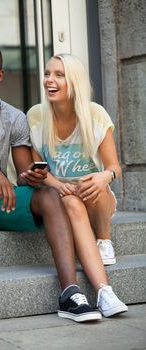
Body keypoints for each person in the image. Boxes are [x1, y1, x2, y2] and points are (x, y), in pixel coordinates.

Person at [26, 53, 128, 318]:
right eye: (48, 74)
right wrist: (58, 185)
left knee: (93, 187)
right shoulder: (37, 116)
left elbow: (114, 167)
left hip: (96, 197)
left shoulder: (94, 114)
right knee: (70, 199)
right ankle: (105, 292)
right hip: (63, 198)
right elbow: (40, 172)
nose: (50, 80)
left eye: (59, 75)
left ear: (75, 82)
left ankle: (103, 239)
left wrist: (105, 176)